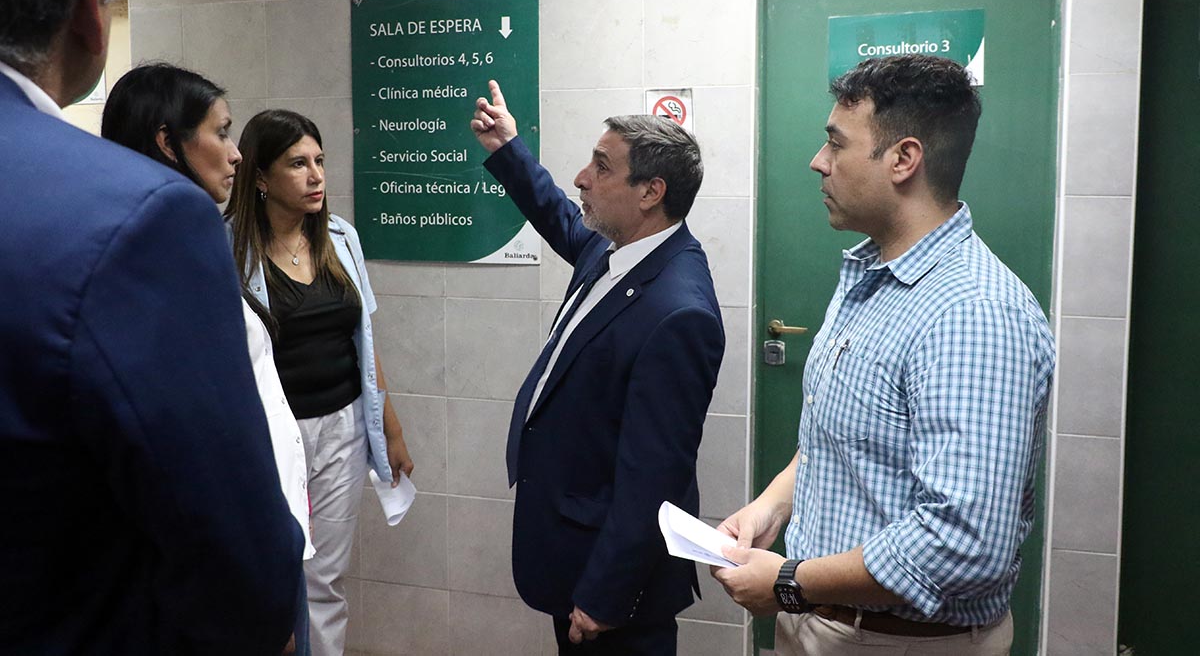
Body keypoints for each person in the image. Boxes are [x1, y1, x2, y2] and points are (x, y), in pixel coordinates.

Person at [0, 0, 303, 654]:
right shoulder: (143, 218)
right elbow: (227, 536)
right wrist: (270, 613)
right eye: (222, 133)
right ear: (90, 8)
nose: (237, 152)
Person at [710, 55, 1055, 655]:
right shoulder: (873, 276)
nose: (818, 161)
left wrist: (790, 582)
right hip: (822, 622)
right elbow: (845, 438)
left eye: (836, 143)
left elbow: (962, 543)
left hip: (901, 642)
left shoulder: (972, 312)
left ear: (903, 159)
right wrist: (771, 507)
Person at [471, 80, 725, 655]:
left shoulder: (678, 312)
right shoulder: (617, 248)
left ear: (650, 192)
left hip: (614, 588)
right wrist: (509, 149)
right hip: (575, 549)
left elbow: (653, 478)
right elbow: (560, 217)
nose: (582, 177)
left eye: (601, 167)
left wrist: (607, 594)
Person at [101, 62, 316, 656]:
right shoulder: (164, 256)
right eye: (221, 133)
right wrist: (258, 586)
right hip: (233, 560)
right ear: (168, 142)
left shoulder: (171, 240)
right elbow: (202, 441)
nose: (236, 153)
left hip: (260, 536)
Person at [226, 108, 415, 656]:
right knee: (271, 568)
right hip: (269, 435)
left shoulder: (340, 238)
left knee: (324, 578)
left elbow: (365, 342)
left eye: (320, 161)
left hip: (344, 428)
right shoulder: (227, 247)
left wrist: (392, 431)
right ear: (261, 176)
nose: (316, 176)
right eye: (297, 164)